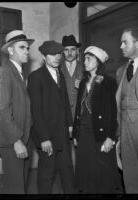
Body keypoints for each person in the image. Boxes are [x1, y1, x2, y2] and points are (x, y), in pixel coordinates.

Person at [27, 40, 75, 194]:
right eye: (52, 54)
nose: (57, 57)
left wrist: (70, 124)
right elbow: (36, 110)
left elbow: (65, 101)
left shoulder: (59, 73)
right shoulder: (35, 77)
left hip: (62, 133)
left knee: (67, 172)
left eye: (58, 54)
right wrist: (44, 138)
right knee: (47, 175)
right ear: (43, 56)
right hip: (47, 136)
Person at [72, 46, 121, 193]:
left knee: (102, 177)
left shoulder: (108, 82)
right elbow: (77, 111)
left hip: (100, 135)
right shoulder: (82, 83)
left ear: (98, 62)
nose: (85, 62)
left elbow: (113, 112)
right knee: (86, 174)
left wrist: (110, 138)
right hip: (84, 134)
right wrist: (75, 133)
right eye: (85, 59)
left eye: (89, 59)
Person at [0, 30, 34, 194]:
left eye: (27, 48)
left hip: (23, 138)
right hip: (13, 142)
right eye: (22, 47)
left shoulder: (18, 72)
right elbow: (1, 111)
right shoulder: (3, 72)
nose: (27, 51)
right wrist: (17, 141)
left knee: (20, 185)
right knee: (16, 189)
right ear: (10, 50)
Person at [116, 27, 138, 193]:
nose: (121, 46)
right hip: (125, 130)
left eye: (125, 42)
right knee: (130, 175)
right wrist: (119, 135)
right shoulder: (120, 71)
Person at [60, 35, 83, 169]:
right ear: (62, 52)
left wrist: (85, 85)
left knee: (82, 151)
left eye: (72, 49)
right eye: (66, 50)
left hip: (81, 117)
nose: (69, 53)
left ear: (77, 51)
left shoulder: (86, 66)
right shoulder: (57, 68)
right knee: (65, 154)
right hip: (62, 118)